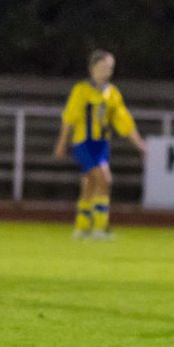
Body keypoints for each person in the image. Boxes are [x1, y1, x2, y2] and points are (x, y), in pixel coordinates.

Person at [53, 50, 148, 239]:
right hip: (84, 143)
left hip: (102, 145)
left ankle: (82, 228)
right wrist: (62, 143)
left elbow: (124, 122)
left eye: (109, 67)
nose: (106, 70)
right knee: (105, 179)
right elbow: (69, 118)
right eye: (102, 66)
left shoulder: (112, 94)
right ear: (92, 68)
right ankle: (100, 227)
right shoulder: (81, 90)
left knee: (90, 183)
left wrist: (140, 145)